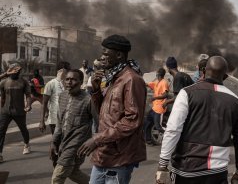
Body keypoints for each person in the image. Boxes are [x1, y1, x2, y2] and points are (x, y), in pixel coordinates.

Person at [155, 56, 238, 184]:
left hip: (186, 171)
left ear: (203, 71)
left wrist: (163, 164)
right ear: (225, 77)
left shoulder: (186, 93)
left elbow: (173, 129)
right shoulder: (236, 102)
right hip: (218, 172)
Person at [77, 34, 147, 184]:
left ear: (119, 55)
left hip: (119, 157)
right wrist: (95, 91)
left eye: (106, 54)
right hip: (104, 154)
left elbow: (132, 120)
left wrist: (96, 139)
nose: (102, 57)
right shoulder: (114, 77)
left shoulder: (131, 79)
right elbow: (104, 112)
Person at [50, 69, 97, 184]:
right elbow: (59, 123)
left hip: (78, 144)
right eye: (67, 79)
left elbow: (99, 122)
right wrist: (54, 141)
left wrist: (95, 140)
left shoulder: (88, 100)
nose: (69, 82)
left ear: (81, 82)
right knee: (73, 172)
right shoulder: (62, 97)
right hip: (64, 142)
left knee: (57, 177)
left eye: (73, 79)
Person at [39, 61, 71, 167]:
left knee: (65, 142)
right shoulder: (51, 84)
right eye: (67, 71)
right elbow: (44, 103)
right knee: (56, 142)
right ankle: (55, 165)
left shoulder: (68, 84)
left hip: (67, 119)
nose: (68, 74)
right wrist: (42, 121)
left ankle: (62, 164)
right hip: (54, 120)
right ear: (61, 71)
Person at [0, 63, 32, 163]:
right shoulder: (4, 81)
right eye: (14, 70)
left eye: (18, 70)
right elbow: (3, 97)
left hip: (19, 111)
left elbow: (28, 95)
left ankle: (26, 144)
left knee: (23, 129)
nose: (16, 72)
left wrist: (28, 105)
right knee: (1, 131)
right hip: (5, 111)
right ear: (10, 70)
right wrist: (6, 73)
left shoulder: (23, 82)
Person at [144, 68, 169, 145]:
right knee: (147, 124)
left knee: (158, 127)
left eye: (157, 73)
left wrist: (155, 97)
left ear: (159, 74)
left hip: (159, 109)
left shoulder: (164, 82)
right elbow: (147, 84)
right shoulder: (157, 82)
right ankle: (148, 141)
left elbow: (165, 95)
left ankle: (170, 138)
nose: (156, 74)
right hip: (154, 108)